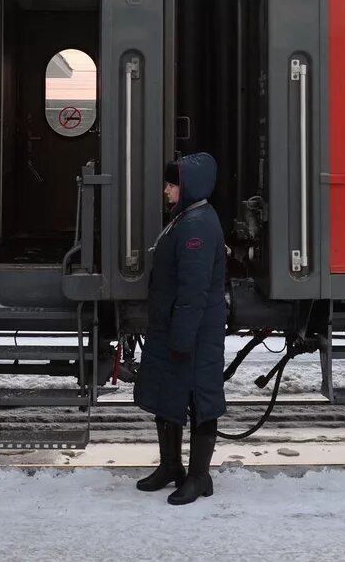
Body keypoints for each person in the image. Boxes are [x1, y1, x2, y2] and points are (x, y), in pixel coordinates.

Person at [132, 153, 227, 505]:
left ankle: (200, 476)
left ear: (189, 188)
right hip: (173, 328)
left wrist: (183, 336)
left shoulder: (197, 226)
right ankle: (171, 466)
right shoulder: (185, 218)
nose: (166, 190)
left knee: (200, 400)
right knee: (167, 393)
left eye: (172, 185)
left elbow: (194, 290)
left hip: (194, 332)